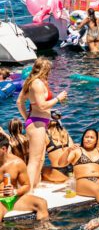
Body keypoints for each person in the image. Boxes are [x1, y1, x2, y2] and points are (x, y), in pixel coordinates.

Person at [16, 57, 67, 189]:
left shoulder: (34, 82)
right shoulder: (36, 83)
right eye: (49, 69)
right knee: (34, 160)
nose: (50, 72)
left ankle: (35, 185)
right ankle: (28, 191)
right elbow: (42, 105)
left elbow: (19, 102)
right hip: (37, 123)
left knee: (41, 159)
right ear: (44, 69)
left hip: (39, 122)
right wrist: (58, 98)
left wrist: (26, 117)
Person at [0, 135, 52, 225]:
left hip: (14, 198)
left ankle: (45, 229)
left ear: (4, 149)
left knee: (41, 203)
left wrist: (15, 192)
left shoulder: (17, 163)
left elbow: (26, 185)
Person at [42, 113, 75, 183]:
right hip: (72, 171)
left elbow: (40, 158)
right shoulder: (65, 133)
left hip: (58, 173)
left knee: (41, 170)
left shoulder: (46, 135)